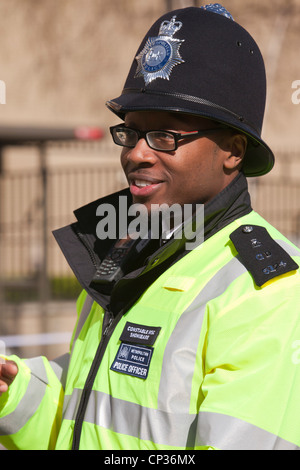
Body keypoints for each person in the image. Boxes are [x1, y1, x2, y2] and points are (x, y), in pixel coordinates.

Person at [0, 4, 300, 451]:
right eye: (132, 131)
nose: (136, 153)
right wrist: (16, 393)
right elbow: (93, 409)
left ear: (233, 151)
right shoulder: (126, 250)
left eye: (165, 136)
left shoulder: (265, 291)